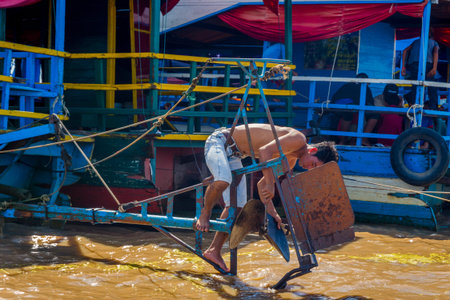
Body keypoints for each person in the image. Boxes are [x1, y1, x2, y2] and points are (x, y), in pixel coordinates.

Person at [196, 124, 339, 271]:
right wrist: (270, 183)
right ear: (313, 150)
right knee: (222, 180)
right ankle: (204, 213)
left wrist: (272, 212)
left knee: (238, 207)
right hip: (220, 141)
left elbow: (261, 185)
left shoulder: (289, 161)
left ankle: (213, 251)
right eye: (313, 164)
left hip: (235, 155)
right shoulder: (298, 139)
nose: (309, 168)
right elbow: (264, 152)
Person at [331, 73, 380, 146]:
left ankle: (343, 141)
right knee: (375, 115)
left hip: (337, 110)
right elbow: (370, 106)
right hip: (348, 110)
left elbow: (334, 99)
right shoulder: (365, 87)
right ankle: (363, 139)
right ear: (366, 81)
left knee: (348, 113)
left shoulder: (346, 85)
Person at [401, 30, 439, 109]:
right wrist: (434, 68)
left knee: (415, 85)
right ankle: (433, 107)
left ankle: (413, 104)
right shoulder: (433, 42)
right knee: (431, 85)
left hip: (414, 64)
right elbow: (435, 53)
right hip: (427, 64)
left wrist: (403, 67)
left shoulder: (416, 42)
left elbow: (404, 51)